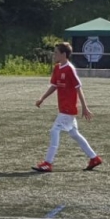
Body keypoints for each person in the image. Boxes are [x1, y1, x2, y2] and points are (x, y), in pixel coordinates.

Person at [32, 42, 103, 173]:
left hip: (68, 108)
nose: (54, 55)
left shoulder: (70, 69)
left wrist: (85, 107)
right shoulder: (57, 68)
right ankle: (94, 158)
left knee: (54, 131)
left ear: (64, 54)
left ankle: (48, 163)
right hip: (63, 107)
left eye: (56, 53)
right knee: (74, 134)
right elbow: (54, 86)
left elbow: (78, 88)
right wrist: (42, 98)